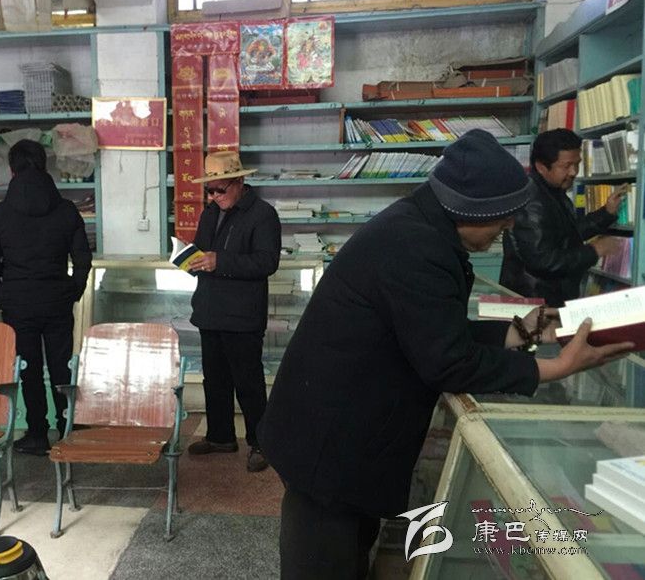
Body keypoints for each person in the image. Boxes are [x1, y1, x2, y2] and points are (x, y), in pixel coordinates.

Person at [257, 129, 634, 579]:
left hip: (338, 436)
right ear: (471, 210)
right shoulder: (417, 246)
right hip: (330, 448)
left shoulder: (419, 226)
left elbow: (433, 331)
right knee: (325, 563)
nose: (507, 229)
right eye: (502, 219)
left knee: (349, 554)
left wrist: (524, 330)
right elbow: (447, 361)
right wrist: (555, 368)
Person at [0, 139, 92, 456]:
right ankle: (67, 429)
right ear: (44, 165)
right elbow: (83, 258)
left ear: (12, 169)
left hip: (17, 303)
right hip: (56, 299)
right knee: (61, 366)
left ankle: (37, 434)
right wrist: (72, 290)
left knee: (28, 368)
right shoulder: (66, 210)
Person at [186, 150, 281, 473]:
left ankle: (261, 443)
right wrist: (191, 261)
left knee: (248, 383)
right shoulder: (209, 213)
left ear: (239, 181)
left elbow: (267, 262)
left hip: (242, 315)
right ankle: (220, 437)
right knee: (214, 380)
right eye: (209, 190)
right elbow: (202, 252)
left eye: (219, 189)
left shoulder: (263, 215)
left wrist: (220, 261)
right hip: (209, 310)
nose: (213, 196)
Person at [500, 128, 627, 306]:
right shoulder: (532, 202)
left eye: (577, 164)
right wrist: (593, 251)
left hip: (547, 299)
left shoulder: (552, 190)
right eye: (566, 166)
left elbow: (565, 234)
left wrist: (606, 213)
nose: (574, 172)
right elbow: (543, 261)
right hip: (534, 304)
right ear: (541, 167)